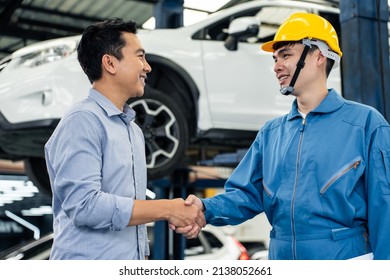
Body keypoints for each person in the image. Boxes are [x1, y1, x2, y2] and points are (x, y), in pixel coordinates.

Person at [174, 13, 390, 259]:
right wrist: (205, 208)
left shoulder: (365, 124)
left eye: (286, 55)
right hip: (282, 257)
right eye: (275, 58)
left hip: (345, 259)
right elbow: (245, 195)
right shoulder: (271, 133)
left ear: (319, 55)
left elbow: (385, 207)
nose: (276, 65)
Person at [44, 18, 205, 260]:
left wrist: (175, 216)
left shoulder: (133, 130)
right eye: (140, 56)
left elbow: (130, 214)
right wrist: (167, 209)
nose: (147, 67)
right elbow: (85, 206)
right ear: (110, 63)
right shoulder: (83, 121)